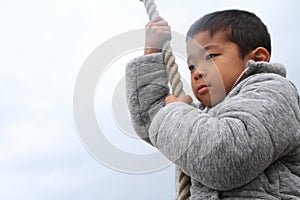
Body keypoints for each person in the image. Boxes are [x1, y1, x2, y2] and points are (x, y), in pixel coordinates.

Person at [126, 9, 300, 199]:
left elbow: (228, 160)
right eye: (191, 66)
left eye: (210, 57)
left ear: (257, 58)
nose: (197, 72)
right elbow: (150, 122)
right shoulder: (202, 118)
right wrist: (151, 53)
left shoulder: (272, 91)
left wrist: (176, 112)